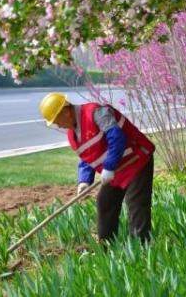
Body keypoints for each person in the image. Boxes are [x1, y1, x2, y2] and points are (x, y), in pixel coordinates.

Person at [38, 92, 156, 244]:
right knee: (105, 201)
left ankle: (142, 248)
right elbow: (88, 157)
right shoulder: (73, 135)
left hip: (136, 160)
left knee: (136, 204)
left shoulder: (96, 113)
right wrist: (84, 180)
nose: (57, 125)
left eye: (56, 120)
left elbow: (117, 137)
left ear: (66, 111)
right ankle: (107, 248)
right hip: (116, 171)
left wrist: (109, 166)